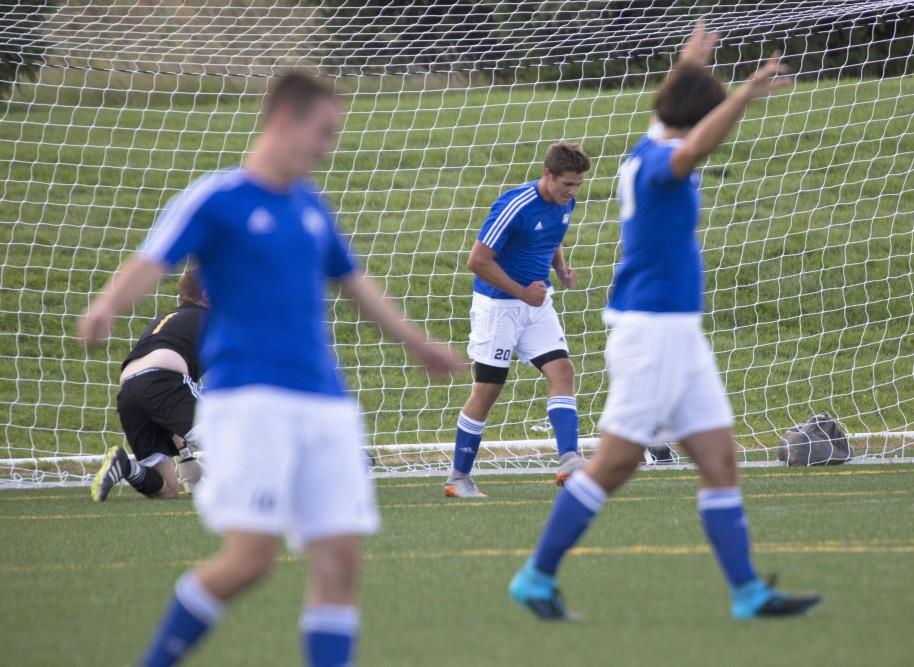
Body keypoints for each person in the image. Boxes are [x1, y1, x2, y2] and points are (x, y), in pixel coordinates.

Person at [77, 71, 463, 667]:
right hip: (250, 403)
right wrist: (104, 306)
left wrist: (420, 344)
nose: (327, 147)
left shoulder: (311, 205)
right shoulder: (218, 198)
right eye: (323, 132)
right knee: (249, 561)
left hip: (325, 404)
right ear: (285, 121)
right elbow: (152, 261)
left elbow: (357, 285)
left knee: (341, 561)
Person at [508, 22, 822, 620]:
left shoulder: (649, 142)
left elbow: (676, 121)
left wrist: (689, 64)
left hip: (678, 334)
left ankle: (748, 592)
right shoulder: (661, 164)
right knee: (614, 466)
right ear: (696, 117)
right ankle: (535, 575)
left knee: (719, 459)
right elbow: (694, 149)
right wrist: (743, 96)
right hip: (650, 333)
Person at [445, 142, 591, 498]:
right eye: (566, 184)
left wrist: (560, 268)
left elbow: (552, 235)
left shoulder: (564, 202)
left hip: (536, 305)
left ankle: (569, 459)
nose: (571, 192)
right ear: (547, 174)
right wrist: (520, 291)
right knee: (489, 389)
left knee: (563, 371)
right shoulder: (515, 205)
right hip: (498, 308)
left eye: (577, 185)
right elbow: (477, 260)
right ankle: (458, 477)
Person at [91, 266, 206, 502]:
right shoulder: (212, 319)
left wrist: (185, 457)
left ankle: (125, 466)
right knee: (232, 435)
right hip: (163, 381)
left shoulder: (167, 319)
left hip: (129, 392)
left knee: (166, 490)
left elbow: (169, 407)